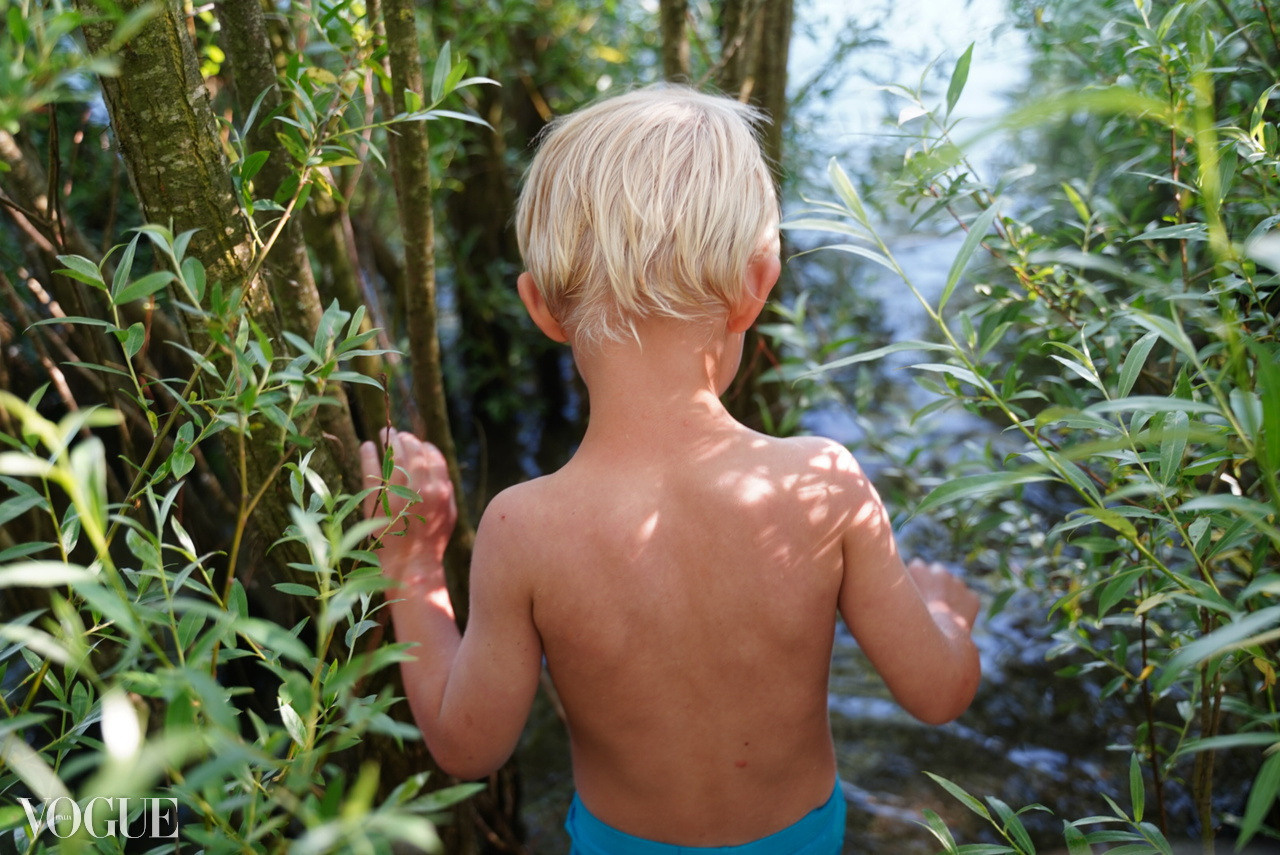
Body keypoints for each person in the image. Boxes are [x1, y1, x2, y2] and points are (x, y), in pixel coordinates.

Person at [359, 84, 981, 855]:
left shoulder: (525, 528)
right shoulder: (822, 483)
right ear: (758, 283)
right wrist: (946, 612)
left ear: (541, 307)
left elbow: (466, 744)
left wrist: (412, 563)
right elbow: (940, 690)